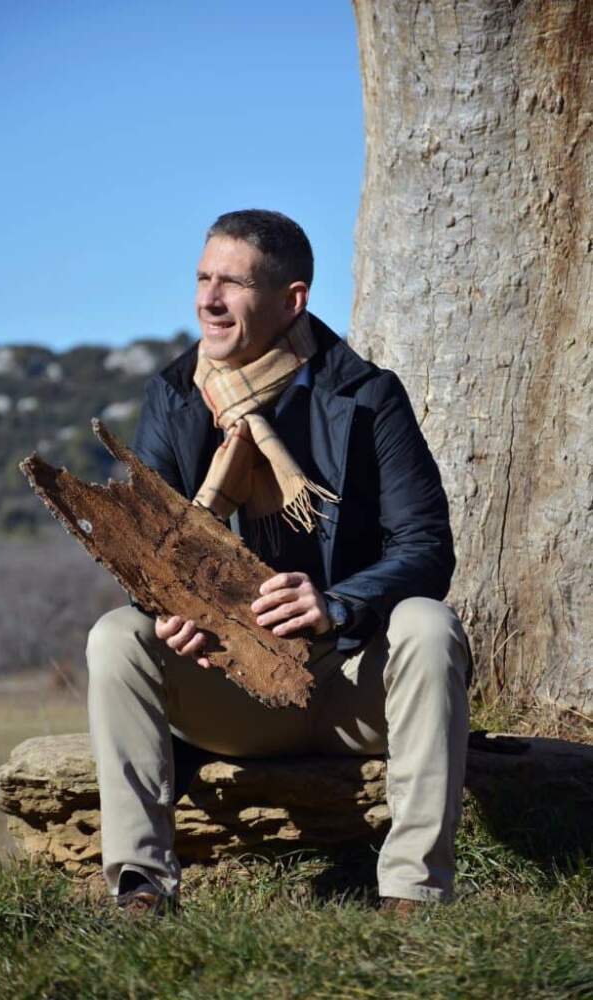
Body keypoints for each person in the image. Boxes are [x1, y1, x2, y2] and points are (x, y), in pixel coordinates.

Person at [86, 209, 470, 917]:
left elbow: (426, 549)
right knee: (117, 636)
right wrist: (175, 615)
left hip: (354, 682)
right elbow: (154, 558)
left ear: (291, 299)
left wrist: (336, 603)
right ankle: (142, 888)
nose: (208, 298)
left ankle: (414, 895)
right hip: (238, 688)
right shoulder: (174, 397)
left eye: (232, 282)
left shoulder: (367, 396)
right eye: (203, 277)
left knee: (427, 622)